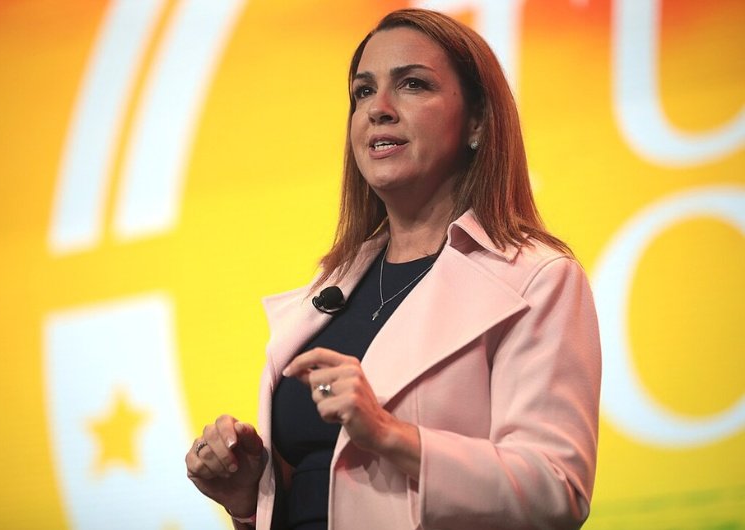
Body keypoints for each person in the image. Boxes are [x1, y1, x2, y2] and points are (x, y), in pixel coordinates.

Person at [185, 8, 601, 530]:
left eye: (412, 85)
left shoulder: (536, 278)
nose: (378, 109)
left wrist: (389, 434)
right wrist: (249, 500)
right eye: (363, 92)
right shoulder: (328, 291)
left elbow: (555, 488)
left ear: (477, 121)